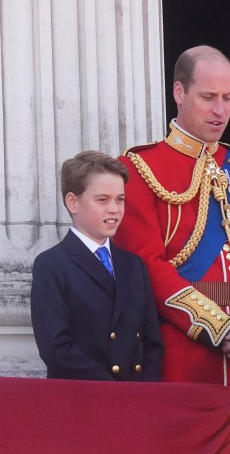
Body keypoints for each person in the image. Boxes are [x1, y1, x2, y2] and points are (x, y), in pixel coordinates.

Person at [116, 45, 230, 386]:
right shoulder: (139, 167)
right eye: (208, 97)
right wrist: (218, 327)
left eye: (228, 97)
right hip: (182, 349)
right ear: (179, 92)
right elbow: (145, 264)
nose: (220, 110)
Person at [31, 151, 163, 381]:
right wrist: (112, 391)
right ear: (73, 202)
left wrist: (144, 391)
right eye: (103, 200)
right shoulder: (52, 265)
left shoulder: (133, 265)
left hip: (137, 398)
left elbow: (152, 343)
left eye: (120, 199)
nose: (114, 209)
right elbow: (56, 348)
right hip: (83, 399)